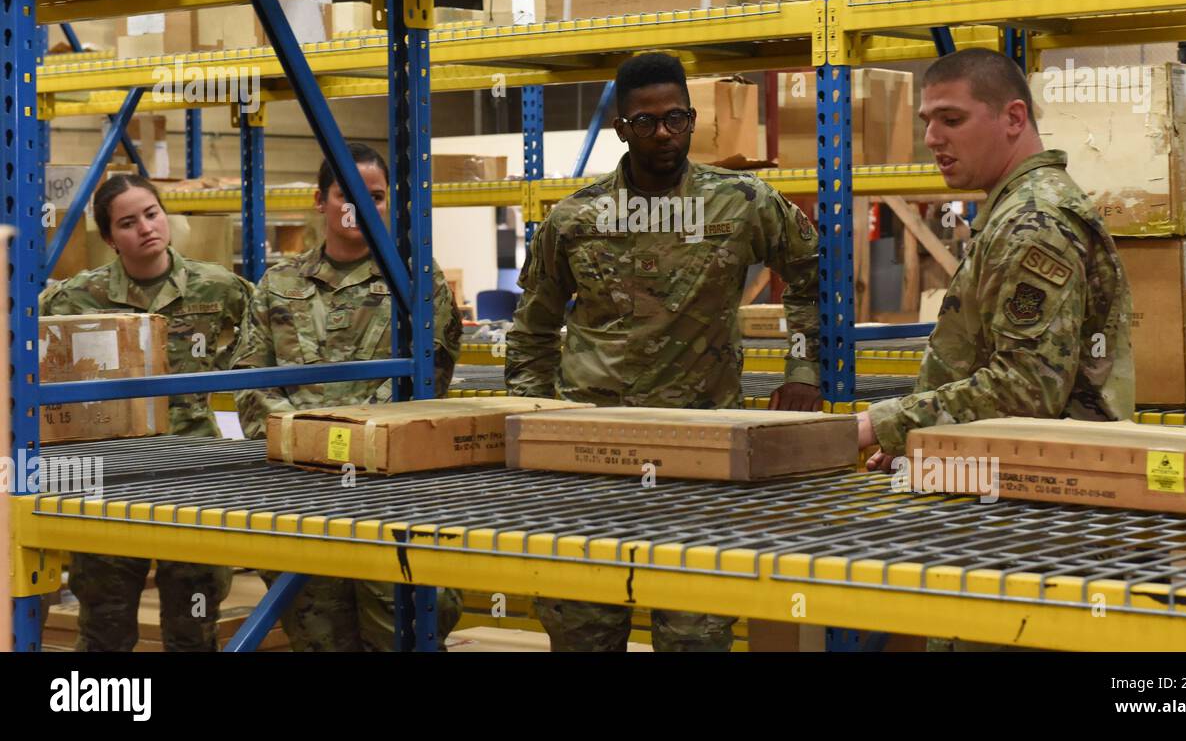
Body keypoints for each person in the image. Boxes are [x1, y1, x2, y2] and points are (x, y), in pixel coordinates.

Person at [506, 52, 821, 652]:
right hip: (589, 459)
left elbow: (811, 276)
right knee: (581, 629)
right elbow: (532, 332)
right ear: (620, 128)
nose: (664, 135)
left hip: (700, 455)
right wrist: (532, 427)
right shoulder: (575, 219)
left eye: (676, 119)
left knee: (696, 633)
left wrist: (801, 366)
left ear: (693, 119)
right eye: (646, 122)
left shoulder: (743, 202)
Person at [856, 49, 1135, 650]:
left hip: (1035, 524)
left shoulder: (1034, 221)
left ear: (1013, 118)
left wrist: (880, 423)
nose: (932, 138)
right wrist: (921, 439)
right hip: (1009, 502)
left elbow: (1026, 387)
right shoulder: (1016, 210)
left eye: (952, 120)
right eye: (927, 121)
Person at [231, 142, 463, 651]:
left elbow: (430, 379)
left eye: (375, 195)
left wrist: (350, 442)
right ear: (320, 201)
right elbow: (250, 379)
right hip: (299, 493)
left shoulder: (417, 281)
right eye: (347, 194)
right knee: (317, 631)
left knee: (400, 630)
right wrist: (305, 440)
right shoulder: (278, 285)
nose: (361, 205)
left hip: (392, 492)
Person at [40, 173, 253, 651]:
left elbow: (264, 350)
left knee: (194, 622)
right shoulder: (75, 298)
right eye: (128, 222)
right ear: (111, 237)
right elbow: (27, 359)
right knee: (104, 626)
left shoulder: (217, 287)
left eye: (152, 214)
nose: (146, 228)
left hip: (193, 472)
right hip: (111, 478)